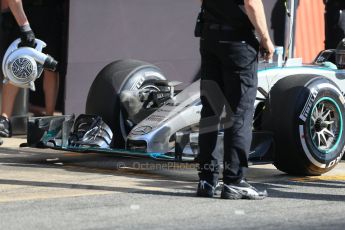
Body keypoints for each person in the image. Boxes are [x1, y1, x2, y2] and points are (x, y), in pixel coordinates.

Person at [196, 0, 274, 199]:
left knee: (211, 111)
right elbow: (252, 3)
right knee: (239, 113)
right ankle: (234, 180)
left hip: (209, 37)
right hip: (237, 41)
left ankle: (206, 180)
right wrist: (265, 39)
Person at [0, 0, 61, 137]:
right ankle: (4, 119)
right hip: (22, 12)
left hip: (49, 11)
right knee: (15, 62)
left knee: (50, 65)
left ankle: (49, 117)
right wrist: (25, 26)